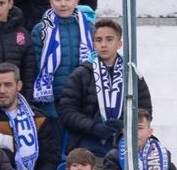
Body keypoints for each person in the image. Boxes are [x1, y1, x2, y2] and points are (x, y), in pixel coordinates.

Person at [59, 17, 153, 158]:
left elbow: (145, 111)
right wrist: (93, 127)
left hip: (122, 151)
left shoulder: (132, 75)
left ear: (119, 43)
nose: (103, 44)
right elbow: (67, 111)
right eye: (99, 40)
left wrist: (123, 125)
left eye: (109, 39)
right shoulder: (81, 73)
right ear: (94, 44)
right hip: (87, 151)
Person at [28, 0, 96, 136]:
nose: (63, 4)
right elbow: (37, 66)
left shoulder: (90, 29)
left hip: (82, 99)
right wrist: (46, 103)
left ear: (76, 0)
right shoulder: (40, 31)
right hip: (54, 100)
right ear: (51, 2)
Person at [0, 62, 59, 170]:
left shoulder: (38, 118)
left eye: (8, 85)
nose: (2, 90)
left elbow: (49, 159)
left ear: (19, 85)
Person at [102, 109, 177, 170]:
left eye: (139, 128)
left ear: (150, 132)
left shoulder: (163, 154)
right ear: (124, 132)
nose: (135, 132)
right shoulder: (113, 157)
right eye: (131, 128)